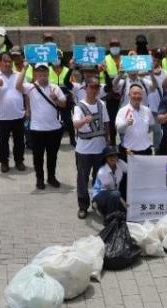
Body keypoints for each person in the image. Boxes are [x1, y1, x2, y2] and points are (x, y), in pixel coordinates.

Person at [17, 62, 67, 189]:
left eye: (44, 73)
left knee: (52, 156)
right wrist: (25, 68)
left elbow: (64, 104)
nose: (42, 76)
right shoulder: (30, 87)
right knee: (38, 157)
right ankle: (40, 179)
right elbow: (17, 86)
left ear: (48, 74)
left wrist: (55, 99)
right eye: (39, 73)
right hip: (37, 129)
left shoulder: (55, 87)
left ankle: (51, 177)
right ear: (35, 74)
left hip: (54, 129)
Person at [72, 74, 109, 219]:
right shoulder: (79, 106)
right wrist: (83, 121)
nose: (94, 90)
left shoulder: (102, 104)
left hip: (99, 148)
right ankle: (83, 206)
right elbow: (75, 124)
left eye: (97, 87)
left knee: (98, 178)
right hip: (84, 150)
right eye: (92, 87)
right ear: (85, 88)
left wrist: (108, 142)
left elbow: (106, 124)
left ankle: (98, 203)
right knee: (82, 178)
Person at [0, 52, 27, 173]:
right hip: (2, 117)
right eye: (5, 61)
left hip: (18, 115)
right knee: (3, 142)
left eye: (10, 61)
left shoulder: (19, 75)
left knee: (19, 141)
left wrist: (27, 110)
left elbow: (26, 94)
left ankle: (19, 161)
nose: (8, 63)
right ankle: (4, 162)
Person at [116, 84, 155, 157]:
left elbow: (151, 126)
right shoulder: (123, 110)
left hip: (145, 150)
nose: (137, 96)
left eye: (139, 94)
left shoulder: (147, 110)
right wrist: (126, 124)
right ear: (129, 95)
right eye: (134, 94)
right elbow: (119, 130)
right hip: (129, 151)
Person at [92, 146, 128, 217]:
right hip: (101, 195)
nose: (113, 157)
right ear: (106, 158)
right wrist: (124, 203)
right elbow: (110, 190)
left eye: (115, 155)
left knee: (123, 211)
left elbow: (130, 170)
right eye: (110, 156)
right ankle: (108, 215)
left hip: (114, 194)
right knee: (116, 195)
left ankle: (112, 212)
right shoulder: (102, 172)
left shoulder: (120, 163)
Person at [102, 39, 122, 143]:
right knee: (112, 121)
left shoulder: (125, 59)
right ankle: (113, 143)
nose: (115, 47)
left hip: (124, 93)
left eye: (117, 45)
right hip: (111, 94)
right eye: (112, 45)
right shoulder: (104, 59)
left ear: (120, 46)